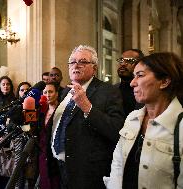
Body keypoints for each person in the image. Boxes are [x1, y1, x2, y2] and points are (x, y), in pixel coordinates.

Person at [48, 44, 125, 189]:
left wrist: (87, 107)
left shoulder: (108, 91)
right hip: (61, 167)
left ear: (94, 68)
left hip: (88, 173)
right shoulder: (65, 91)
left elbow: (116, 130)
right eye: (72, 62)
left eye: (82, 62)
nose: (76, 65)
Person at [104, 52, 183, 189]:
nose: (132, 83)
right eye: (134, 76)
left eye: (140, 75)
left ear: (164, 81)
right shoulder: (132, 118)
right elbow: (117, 164)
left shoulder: (180, 125)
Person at [38, 82, 60, 189]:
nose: (48, 95)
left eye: (51, 92)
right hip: (43, 155)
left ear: (57, 93)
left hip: (57, 157)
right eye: (45, 92)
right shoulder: (41, 111)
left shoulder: (62, 110)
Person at [115, 49, 144, 117]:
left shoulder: (147, 91)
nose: (123, 64)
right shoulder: (111, 90)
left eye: (129, 61)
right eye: (121, 60)